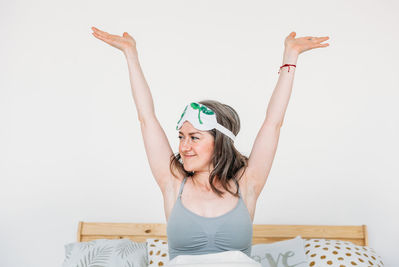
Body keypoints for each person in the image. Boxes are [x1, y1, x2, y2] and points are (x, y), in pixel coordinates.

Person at [91, 27, 329, 261]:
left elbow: (272, 124)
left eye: (194, 137)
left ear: (220, 143)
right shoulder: (173, 182)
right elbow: (147, 119)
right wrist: (130, 54)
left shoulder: (247, 184)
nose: (184, 146)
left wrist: (290, 57)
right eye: (181, 137)